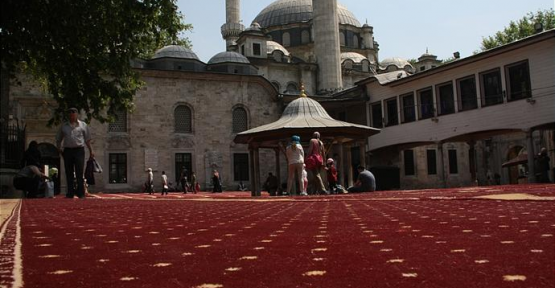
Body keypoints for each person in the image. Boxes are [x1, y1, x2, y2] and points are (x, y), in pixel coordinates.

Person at [56, 107, 93, 199]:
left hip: (79, 150)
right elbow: (58, 139)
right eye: (70, 115)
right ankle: (70, 193)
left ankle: (81, 193)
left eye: (74, 114)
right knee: (69, 172)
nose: (72, 116)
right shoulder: (64, 126)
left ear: (77, 115)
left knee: (79, 172)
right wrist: (59, 148)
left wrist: (91, 151)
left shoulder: (83, 125)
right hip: (67, 150)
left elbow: (87, 139)